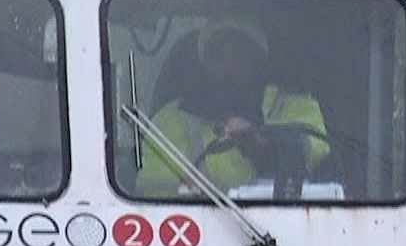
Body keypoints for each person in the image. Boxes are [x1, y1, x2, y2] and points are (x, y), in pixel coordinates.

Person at [135, 20, 330, 196]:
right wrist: (188, 193)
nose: (229, 65)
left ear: (258, 60)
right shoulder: (171, 119)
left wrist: (262, 145)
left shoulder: (295, 105)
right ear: (205, 63)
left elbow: (315, 149)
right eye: (218, 55)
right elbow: (151, 194)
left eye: (239, 54)